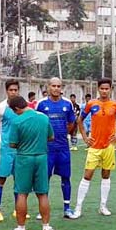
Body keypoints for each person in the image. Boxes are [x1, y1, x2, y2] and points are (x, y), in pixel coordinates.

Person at [72, 78, 116, 218]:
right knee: (87, 175)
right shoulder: (91, 104)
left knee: (106, 175)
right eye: (102, 88)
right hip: (94, 146)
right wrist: (85, 136)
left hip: (108, 146)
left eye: (106, 88)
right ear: (98, 89)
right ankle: (78, 207)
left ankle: (103, 206)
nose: (104, 91)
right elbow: (79, 120)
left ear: (111, 89)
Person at [6, 96, 56, 230]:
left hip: (24, 158)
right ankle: (46, 228)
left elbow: (12, 144)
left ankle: (21, 229)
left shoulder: (17, 121)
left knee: (22, 193)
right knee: (42, 193)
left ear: (16, 109)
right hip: (41, 157)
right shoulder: (43, 118)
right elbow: (51, 137)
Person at [36, 77, 76, 218]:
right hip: (47, 148)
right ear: (48, 87)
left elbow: (71, 123)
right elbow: (37, 123)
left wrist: (64, 133)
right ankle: (43, 209)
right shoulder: (41, 104)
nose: (56, 88)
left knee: (66, 177)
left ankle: (67, 208)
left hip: (63, 147)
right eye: (53, 86)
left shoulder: (67, 104)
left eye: (59, 86)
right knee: (44, 178)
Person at [0, 79, 21, 222]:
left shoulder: (23, 107)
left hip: (20, 150)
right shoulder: (1, 107)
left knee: (19, 179)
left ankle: (18, 209)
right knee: (1, 179)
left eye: (16, 90)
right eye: (11, 90)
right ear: (6, 91)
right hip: (6, 150)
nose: (13, 92)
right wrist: (1, 142)